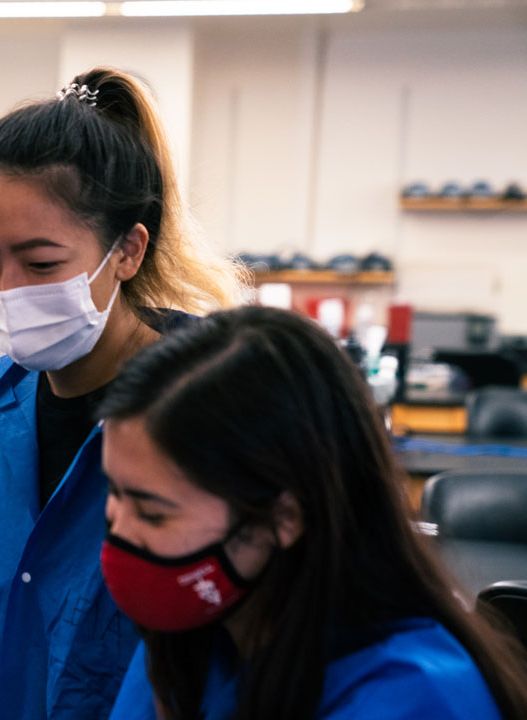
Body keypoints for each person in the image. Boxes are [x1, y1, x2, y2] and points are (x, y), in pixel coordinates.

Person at [0, 68, 247, 719]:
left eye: (40, 264)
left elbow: (253, 648)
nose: (6, 290)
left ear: (127, 251)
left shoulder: (211, 411)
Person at [100, 306, 527, 720]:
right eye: (114, 494)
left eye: (153, 514)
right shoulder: (193, 627)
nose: (118, 532)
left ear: (284, 516)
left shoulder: (416, 700)